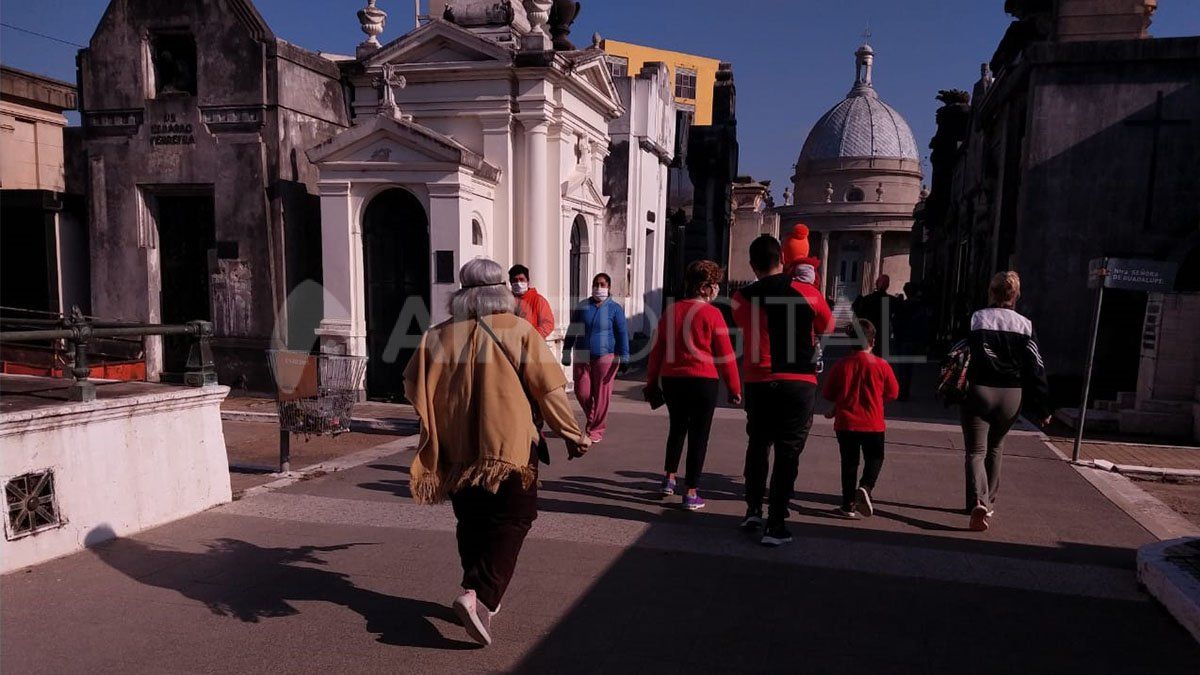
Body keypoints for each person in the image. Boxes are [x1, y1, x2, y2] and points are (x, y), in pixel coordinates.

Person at [404, 258, 590, 647]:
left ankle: (475, 591)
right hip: (509, 447)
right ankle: (480, 595)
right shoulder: (519, 330)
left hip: (456, 447)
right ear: (501, 291)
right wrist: (573, 434)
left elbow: (412, 384)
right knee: (515, 516)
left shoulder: (438, 335)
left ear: (462, 294)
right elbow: (549, 391)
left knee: (471, 519)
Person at [733, 235, 834, 546]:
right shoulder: (809, 293)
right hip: (798, 379)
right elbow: (827, 327)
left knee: (758, 444)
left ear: (753, 265)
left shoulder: (741, 298)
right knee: (788, 451)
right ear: (783, 260)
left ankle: (753, 509)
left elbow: (742, 324)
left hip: (759, 379)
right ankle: (776, 524)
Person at [645, 260, 742, 510]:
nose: (717, 289)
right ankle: (691, 491)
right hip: (703, 380)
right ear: (703, 287)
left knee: (677, 429)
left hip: (673, 380)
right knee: (699, 435)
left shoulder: (671, 312)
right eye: (714, 284)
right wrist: (734, 388)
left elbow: (657, 351)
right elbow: (725, 355)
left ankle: (669, 478)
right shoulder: (713, 314)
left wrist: (651, 382)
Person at [960, 271, 1052, 532]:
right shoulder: (1025, 325)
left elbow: (958, 351)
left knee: (975, 451)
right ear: (1016, 295)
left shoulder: (977, 319)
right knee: (996, 447)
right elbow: (1036, 367)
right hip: (1011, 394)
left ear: (991, 292)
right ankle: (988, 503)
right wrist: (1043, 406)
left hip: (979, 390)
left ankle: (977, 500)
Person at [821, 319, 899, 519]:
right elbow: (893, 392)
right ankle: (866, 486)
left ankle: (848, 504)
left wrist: (838, 404)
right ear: (873, 342)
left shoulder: (841, 365)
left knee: (849, 463)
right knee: (875, 457)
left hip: (846, 423)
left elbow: (828, 392)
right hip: (873, 422)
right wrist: (878, 399)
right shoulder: (881, 365)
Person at [562, 273, 629, 443]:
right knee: (582, 392)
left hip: (606, 356)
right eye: (596, 284)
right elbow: (572, 329)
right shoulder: (583, 306)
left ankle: (596, 430)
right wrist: (566, 350)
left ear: (608, 287)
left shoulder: (615, 309)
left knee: (601, 395)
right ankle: (592, 418)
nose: (598, 288)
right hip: (582, 354)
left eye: (602, 284)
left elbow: (622, 334)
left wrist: (625, 357)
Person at [852, 275, 896, 356]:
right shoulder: (892, 300)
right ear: (888, 285)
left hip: (870, 330)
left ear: (876, 284)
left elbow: (859, 314)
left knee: (869, 354)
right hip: (883, 332)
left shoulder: (867, 299)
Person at [508, 264, 554, 339]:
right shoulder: (506, 301)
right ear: (510, 282)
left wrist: (531, 337)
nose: (518, 283)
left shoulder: (538, 300)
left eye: (521, 279)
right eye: (515, 280)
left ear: (528, 281)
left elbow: (548, 324)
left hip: (532, 343)